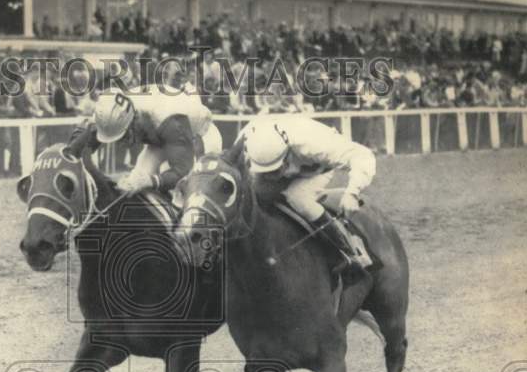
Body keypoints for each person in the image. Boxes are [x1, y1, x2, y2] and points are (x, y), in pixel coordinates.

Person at [235, 113, 376, 273]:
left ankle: (347, 252)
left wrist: (352, 193)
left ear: (288, 151)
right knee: (250, 197)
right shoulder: (246, 140)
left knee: (299, 199)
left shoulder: (313, 142)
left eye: (275, 169)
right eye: (267, 172)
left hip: (312, 171)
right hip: (264, 168)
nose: (272, 177)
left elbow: (363, 155)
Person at [71, 85, 221, 197]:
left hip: (200, 136)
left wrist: (152, 181)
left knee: (185, 193)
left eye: (123, 136)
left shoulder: (169, 120)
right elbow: (77, 145)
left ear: (133, 122)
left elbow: (183, 171)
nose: (120, 144)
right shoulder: (113, 111)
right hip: (161, 138)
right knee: (132, 185)